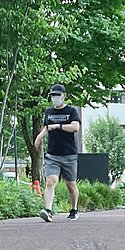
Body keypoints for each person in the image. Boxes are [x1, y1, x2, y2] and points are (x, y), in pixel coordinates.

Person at [34, 84, 81, 221]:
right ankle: (48, 211)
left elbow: (75, 127)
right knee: (50, 181)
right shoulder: (49, 112)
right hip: (52, 154)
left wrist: (58, 126)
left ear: (64, 96)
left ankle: (74, 209)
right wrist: (39, 137)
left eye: (57, 95)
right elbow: (47, 128)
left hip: (69, 154)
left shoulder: (71, 111)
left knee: (70, 184)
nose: (55, 98)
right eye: (53, 95)